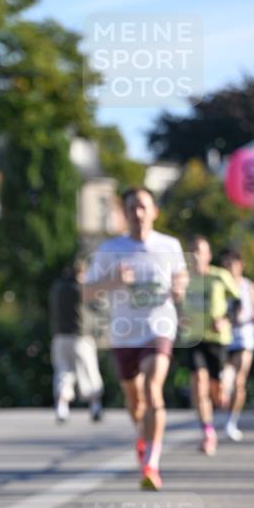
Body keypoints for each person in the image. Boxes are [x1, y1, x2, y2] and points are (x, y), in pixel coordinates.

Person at [84, 187, 188, 490]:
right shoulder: (110, 249)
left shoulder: (170, 246)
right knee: (135, 400)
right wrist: (113, 281)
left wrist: (180, 287)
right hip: (124, 333)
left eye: (143, 207)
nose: (137, 213)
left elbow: (181, 277)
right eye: (131, 208)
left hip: (159, 328)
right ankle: (142, 436)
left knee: (153, 389)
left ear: (154, 211)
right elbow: (87, 292)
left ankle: (151, 464)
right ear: (125, 213)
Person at [181, 237, 239, 455]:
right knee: (198, 382)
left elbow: (238, 301)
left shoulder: (220, 276)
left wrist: (226, 319)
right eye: (193, 251)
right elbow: (174, 302)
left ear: (208, 255)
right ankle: (207, 432)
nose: (196, 256)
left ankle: (225, 383)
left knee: (217, 392)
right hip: (193, 338)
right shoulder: (183, 278)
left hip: (217, 338)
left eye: (200, 251)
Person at [219, 248, 254, 441]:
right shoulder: (219, 285)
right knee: (223, 383)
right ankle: (222, 405)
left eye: (232, 264)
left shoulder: (250, 287)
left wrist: (249, 316)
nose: (229, 268)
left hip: (244, 339)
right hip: (222, 339)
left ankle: (231, 421)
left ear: (241, 265)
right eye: (225, 264)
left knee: (239, 381)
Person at [49, 259, 103, 422]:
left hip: (60, 337)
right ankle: (95, 406)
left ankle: (62, 407)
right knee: (89, 371)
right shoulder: (81, 289)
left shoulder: (57, 288)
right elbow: (98, 305)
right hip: (80, 336)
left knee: (63, 372)